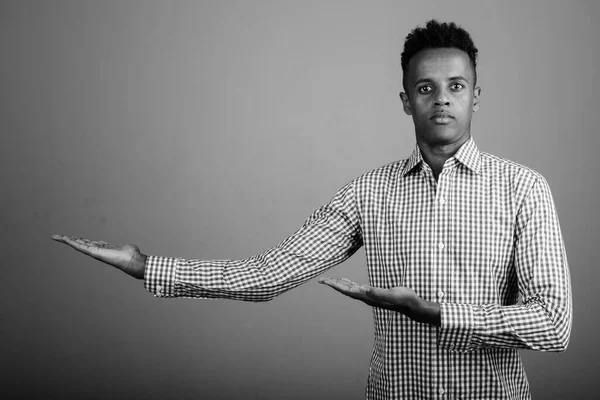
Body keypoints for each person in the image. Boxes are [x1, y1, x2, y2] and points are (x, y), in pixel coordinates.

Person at [52, 20, 572, 400]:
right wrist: (147, 265)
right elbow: (267, 275)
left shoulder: (523, 189)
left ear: (476, 96)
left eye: (456, 87)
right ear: (405, 99)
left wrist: (434, 313)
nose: (441, 100)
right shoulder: (369, 193)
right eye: (425, 88)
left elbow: (554, 322)